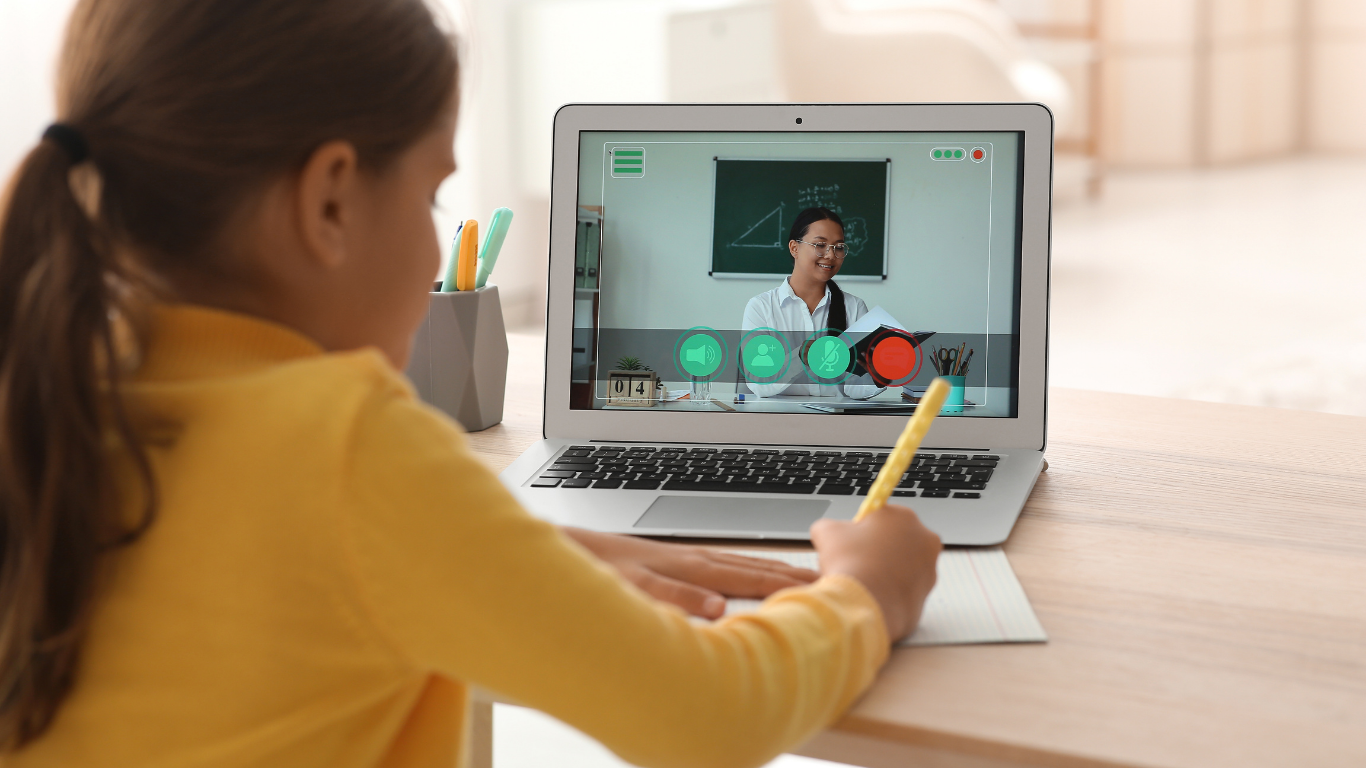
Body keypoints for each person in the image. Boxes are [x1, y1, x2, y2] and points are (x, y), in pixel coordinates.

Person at [0, 1, 940, 765]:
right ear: (329, 202)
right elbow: (709, 715)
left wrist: (510, 554)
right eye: (431, 195)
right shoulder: (346, 441)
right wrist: (867, 593)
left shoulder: (51, 387)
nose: (434, 236)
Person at [742, 207, 883, 398]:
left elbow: (855, 387)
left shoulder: (854, 307)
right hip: (777, 421)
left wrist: (880, 374)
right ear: (794, 248)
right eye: (820, 245)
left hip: (838, 422)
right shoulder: (761, 307)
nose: (831, 255)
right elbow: (758, 382)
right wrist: (800, 358)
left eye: (838, 247)